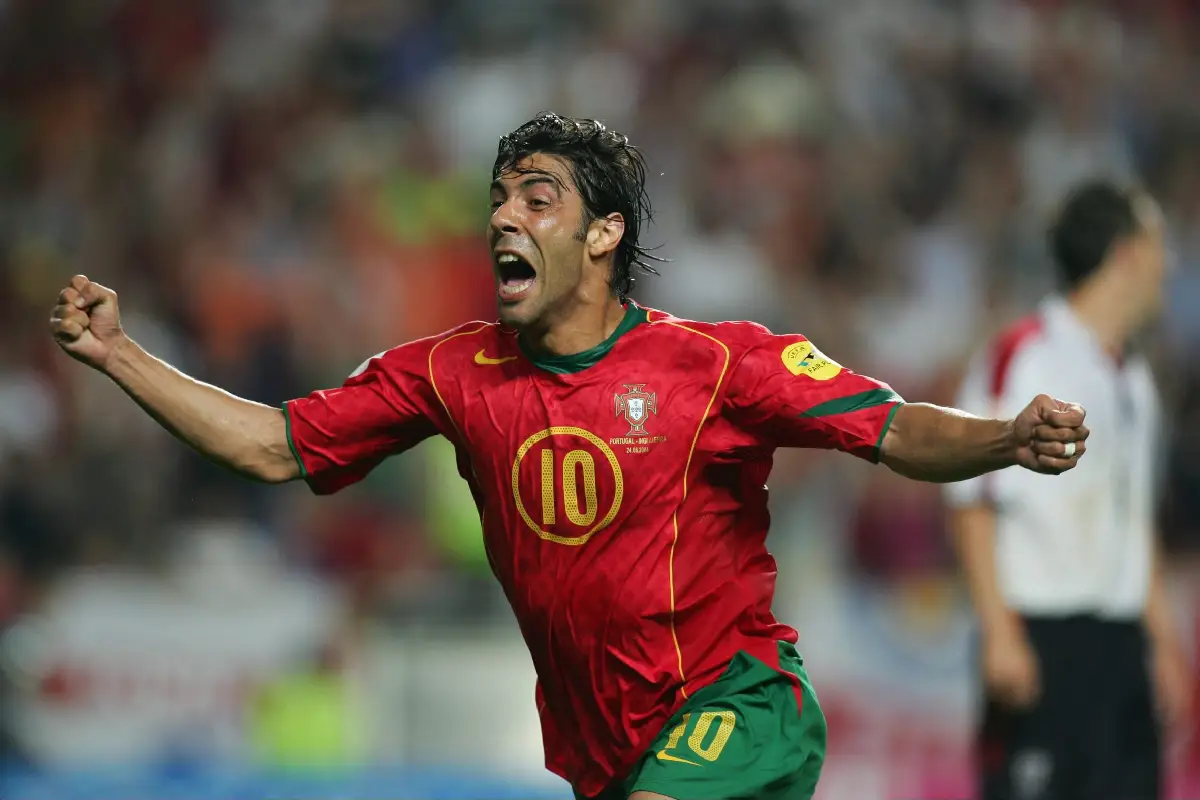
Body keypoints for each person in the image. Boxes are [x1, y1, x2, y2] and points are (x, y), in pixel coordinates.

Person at [49, 113, 1090, 800]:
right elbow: (275, 446)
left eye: (536, 197)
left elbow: (895, 424)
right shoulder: (449, 372)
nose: (503, 214)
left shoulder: (716, 361)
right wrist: (119, 354)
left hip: (741, 705)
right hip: (613, 750)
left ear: (603, 233)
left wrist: (1004, 436)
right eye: (500, 196)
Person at [946, 180, 1193, 800]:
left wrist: (1160, 642)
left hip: (1121, 644)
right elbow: (971, 498)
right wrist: (1000, 632)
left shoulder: (1133, 377)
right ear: (1126, 253)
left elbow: (1134, 519)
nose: (1171, 263)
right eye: (1158, 244)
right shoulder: (1022, 356)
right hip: (1042, 637)